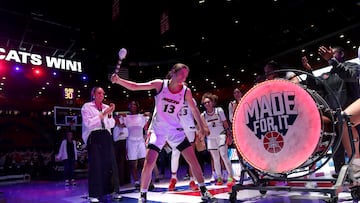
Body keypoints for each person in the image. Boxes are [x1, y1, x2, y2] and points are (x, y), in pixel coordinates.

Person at [111, 63, 217, 203]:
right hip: (158, 130)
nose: (183, 77)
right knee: (149, 163)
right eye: (181, 74)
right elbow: (136, 86)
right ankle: (143, 195)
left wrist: (202, 127)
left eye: (185, 75)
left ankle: (203, 190)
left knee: (193, 160)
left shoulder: (186, 91)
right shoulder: (160, 85)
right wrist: (119, 81)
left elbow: (194, 109)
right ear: (173, 72)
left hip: (175, 130)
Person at [302, 46, 360, 178]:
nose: (329, 55)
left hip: (354, 116)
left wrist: (332, 60)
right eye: (329, 54)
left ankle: (357, 174)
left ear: (342, 54)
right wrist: (309, 71)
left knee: (356, 146)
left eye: (333, 53)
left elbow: (351, 76)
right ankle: (341, 175)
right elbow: (315, 88)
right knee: (337, 148)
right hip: (335, 117)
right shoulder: (325, 76)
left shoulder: (352, 66)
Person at [81, 87, 122, 203]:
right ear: (93, 94)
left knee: (111, 164)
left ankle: (113, 191)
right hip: (94, 136)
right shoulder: (87, 107)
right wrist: (103, 114)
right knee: (96, 165)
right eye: (99, 93)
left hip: (106, 136)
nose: (101, 95)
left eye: (103, 93)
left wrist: (109, 113)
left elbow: (112, 124)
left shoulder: (106, 107)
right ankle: (94, 194)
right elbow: (89, 123)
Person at [201, 92, 235, 188]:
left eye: (208, 102)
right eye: (205, 103)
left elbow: (225, 123)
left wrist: (229, 134)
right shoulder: (203, 115)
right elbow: (203, 128)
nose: (207, 104)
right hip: (211, 138)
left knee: (224, 156)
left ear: (212, 102)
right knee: (215, 159)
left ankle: (231, 176)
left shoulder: (219, 110)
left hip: (221, 135)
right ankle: (219, 177)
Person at [168, 97, 199, 191]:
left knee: (191, 156)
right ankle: (173, 178)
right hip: (177, 129)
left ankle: (192, 180)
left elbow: (195, 114)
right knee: (175, 153)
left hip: (190, 128)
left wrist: (198, 128)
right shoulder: (172, 99)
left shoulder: (191, 100)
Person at [122, 100, 150, 190]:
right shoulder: (126, 117)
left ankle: (146, 180)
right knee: (133, 163)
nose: (133, 106)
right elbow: (120, 124)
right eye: (131, 104)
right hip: (131, 142)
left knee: (143, 162)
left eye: (135, 104)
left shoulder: (142, 117)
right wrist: (118, 117)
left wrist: (147, 117)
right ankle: (136, 181)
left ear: (137, 106)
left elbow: (146, 127)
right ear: (129, 107)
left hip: (140, 141)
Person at [112, 114, 131, 187]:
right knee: (120, 163)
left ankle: (126, 180)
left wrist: (122, 134)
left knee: (126, 163)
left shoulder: (126, 128)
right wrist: (120, 135)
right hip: (119, 146)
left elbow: (127, 135)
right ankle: (121, 180)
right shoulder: (116, 128)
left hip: (125, 144)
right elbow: (115, 139)